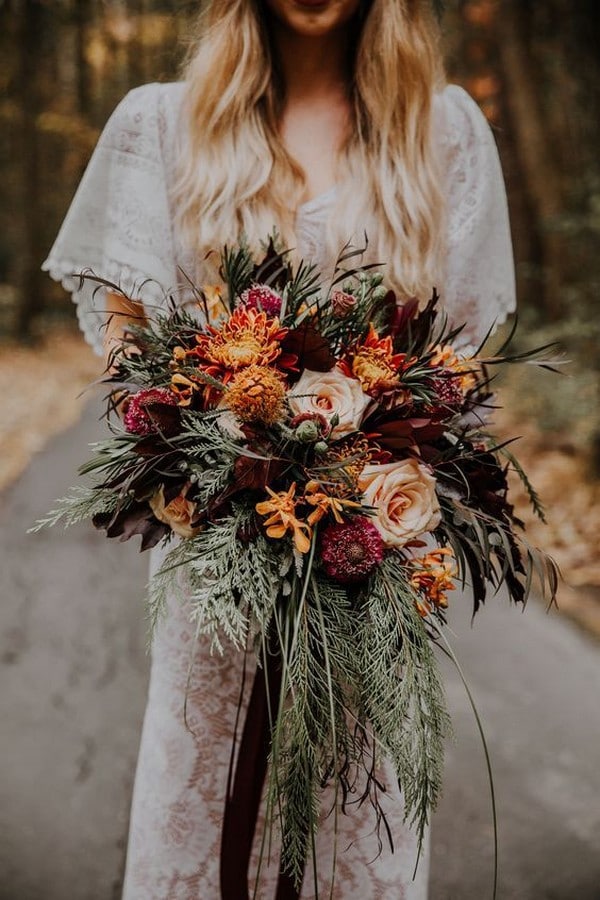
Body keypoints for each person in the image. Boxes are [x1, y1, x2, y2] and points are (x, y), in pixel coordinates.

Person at [43, 1, 516, 896]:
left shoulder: (445, 131)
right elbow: (129, 354)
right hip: (214, 563)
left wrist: (367, 469)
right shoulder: (160, 123)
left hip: (373, 566)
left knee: (355, 815)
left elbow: (459, 371)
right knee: (210, 799)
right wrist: (217, 444)